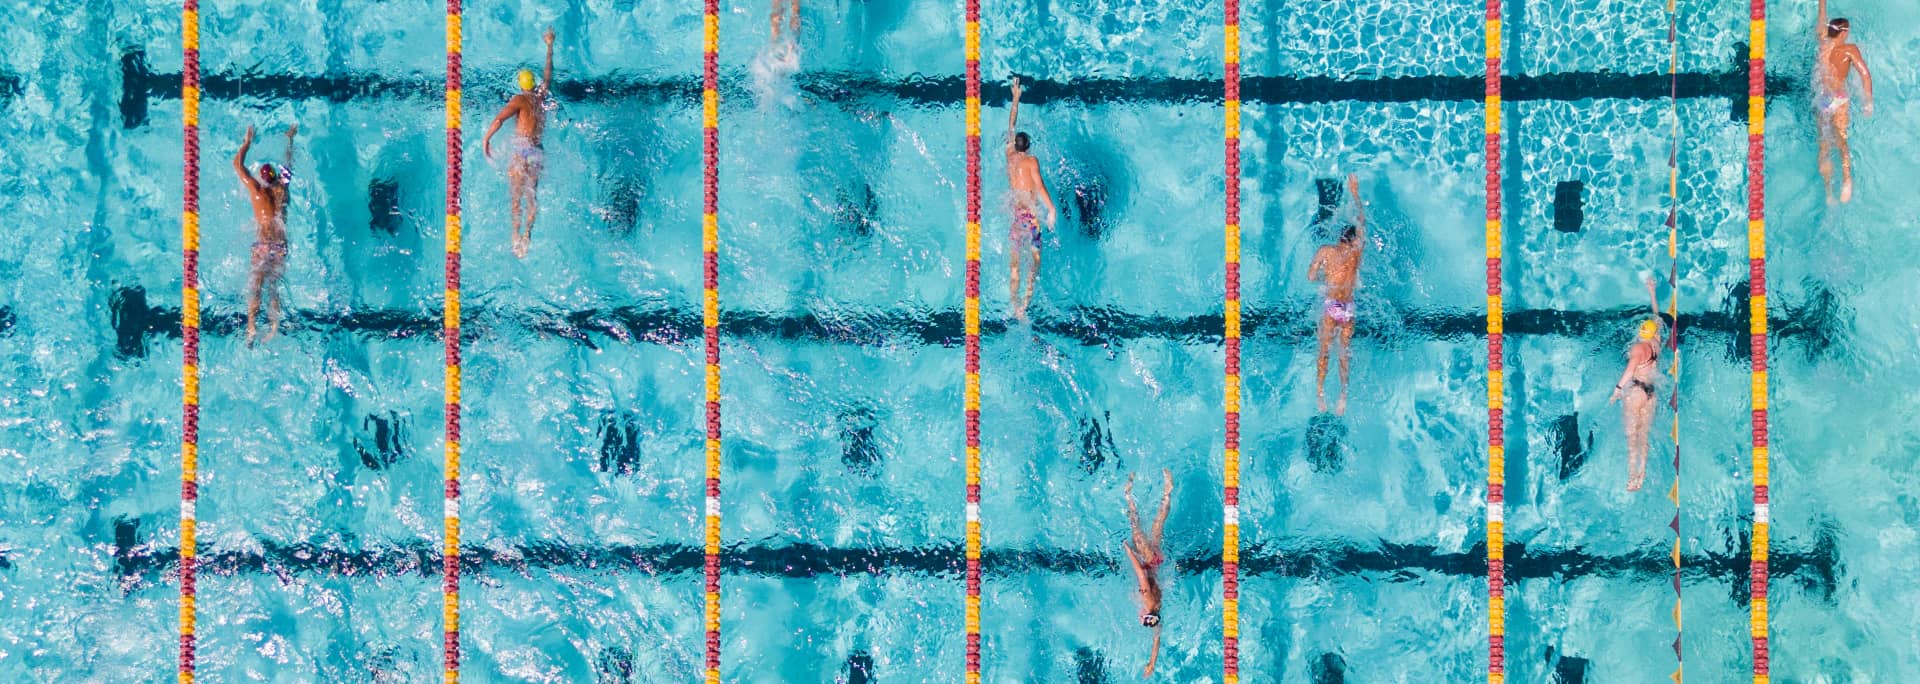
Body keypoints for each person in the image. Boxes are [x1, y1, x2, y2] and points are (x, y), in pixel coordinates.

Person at [483, 27, 556, 258]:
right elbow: (548, 75)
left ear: (520, 85)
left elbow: (499, 120)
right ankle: (527, 236)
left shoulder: (519, 99)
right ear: (533, 84)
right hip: (537, 151)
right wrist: (549, 46)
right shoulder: (541, 95)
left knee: (516, 196)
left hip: (521, 150)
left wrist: (486, 139)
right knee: (531, 195)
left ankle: (515, 235)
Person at [232, 124, 297, 345]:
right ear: (276, 177)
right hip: (279, 246)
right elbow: (289, 164)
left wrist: (247, 143)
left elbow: (237, 165)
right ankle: (274, 326)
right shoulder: (283, 190)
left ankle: (251, 327)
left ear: (261, 178)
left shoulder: (256, 191)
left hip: (261, 245)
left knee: (256, 285)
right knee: (273, 286)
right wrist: (289, 140)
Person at [1308, 174, 1365, 415]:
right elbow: (1362, 223)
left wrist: (1323, 278)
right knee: (1344, 354)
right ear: (1352, 241)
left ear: (1340, 237)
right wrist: (1355, 193)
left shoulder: (1326, 251)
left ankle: (1320, 394)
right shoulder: (1356, 253)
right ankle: (1342, 395)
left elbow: (1311, 276)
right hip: (1348, 307)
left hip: (1331, 304)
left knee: (1324, 352)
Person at [1004, 76, 1057, 320]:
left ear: (1015, 145)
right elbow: (1039, 185)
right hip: (1031, 217)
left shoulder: (1010, 156)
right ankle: (1024, 305)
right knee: (1034, 264)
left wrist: (1015, 100)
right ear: (1030, 146)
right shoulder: (1030, 160)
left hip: (1016, 215)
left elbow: (1011, 127)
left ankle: (1013, 305)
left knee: (1015, 263)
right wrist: (1051, 209)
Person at [1608, 278, 1667, 492]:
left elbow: (1630, 371)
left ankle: (1632, 475)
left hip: (1636, 393)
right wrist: (1652, 292)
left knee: (1631, 436)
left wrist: (1617, 391)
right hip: (1652, 393)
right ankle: (1642, 471)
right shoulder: (1656, 341)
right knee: (1644, 434)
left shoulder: (1637, 349)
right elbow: (1657, 317)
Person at [1814, 0, 1873, 204]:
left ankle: (1829, 192)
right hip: (1839, 98)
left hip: (1822, 99)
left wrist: (1822, 3)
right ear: (1843, 33)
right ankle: (1847, 181)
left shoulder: (1822, 41)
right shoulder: (1849, 49)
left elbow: (1821, 18)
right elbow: (1865, 75)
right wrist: (1868, 101)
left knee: (1824, 145)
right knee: (1841, 141)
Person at [1123, 468, 1172, 678]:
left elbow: (1156, 639)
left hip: (1157, 561)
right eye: (1142, 617)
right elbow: (1141, 574)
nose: (1139, 615)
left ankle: (1167, 492)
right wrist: (1128, 551)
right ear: (1146, 615)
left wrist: (1152, 663)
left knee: (1158, 525)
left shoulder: (1157, 608)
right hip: (1148, 560)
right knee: (1135, 527)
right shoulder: (1147, 598)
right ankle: (1128, 496)